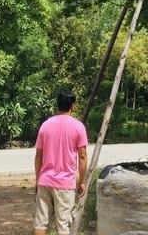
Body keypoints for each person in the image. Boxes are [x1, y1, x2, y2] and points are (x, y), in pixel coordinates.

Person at [33, 90, 88, 235]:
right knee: (63, 226)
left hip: (45, 180)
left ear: (57, 105)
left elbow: (38, 155)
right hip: (65, 184)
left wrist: (38, 179)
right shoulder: (78, 127)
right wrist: (82, 181)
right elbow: (82, 157)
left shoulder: (45, 125)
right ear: (73, 106)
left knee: (40, 223)